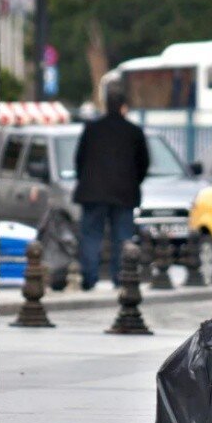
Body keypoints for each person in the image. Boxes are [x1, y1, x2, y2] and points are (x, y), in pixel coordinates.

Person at [72, 88, 150, 290]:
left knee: (91, 236)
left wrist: (86, 181)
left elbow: (80, 159)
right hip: (124, 193)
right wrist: (133, 182)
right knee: (122, 237)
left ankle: (89, 278)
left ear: (105, 105)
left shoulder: (92, 129)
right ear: (124, 107)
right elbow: (144, 163)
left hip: (93, 192)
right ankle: (121, 277)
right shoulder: (133, 131)